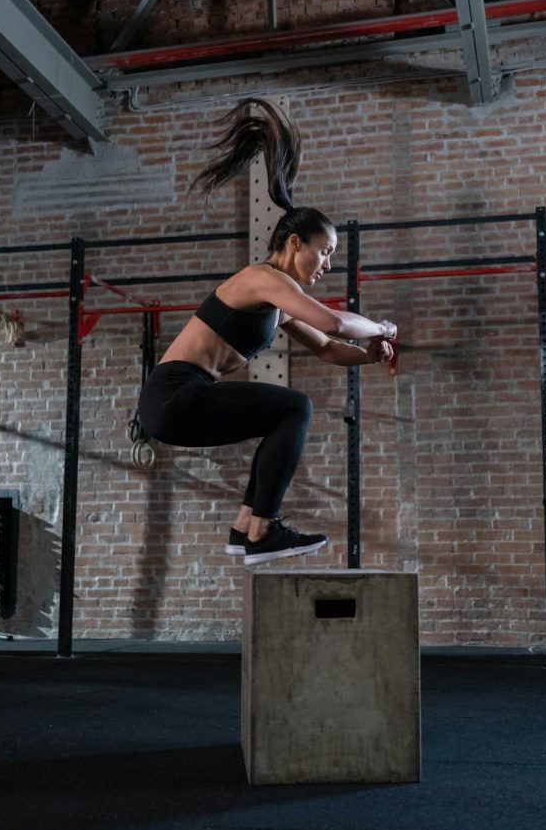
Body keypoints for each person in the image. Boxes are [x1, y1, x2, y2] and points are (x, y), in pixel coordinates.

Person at [137, 97, 397, 566]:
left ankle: (245, 531)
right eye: (324, 252)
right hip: (173, 396)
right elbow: (335, 322)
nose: (327, 264)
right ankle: (263, 530)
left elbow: (329, 349)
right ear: (294, 243)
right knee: (292, 407)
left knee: (281, 415)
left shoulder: (278, 301)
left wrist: (370, 355)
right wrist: (381, 326)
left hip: (177, 403)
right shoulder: (261, 278)